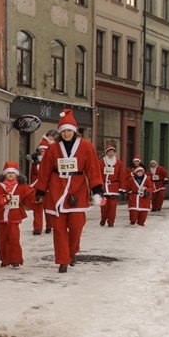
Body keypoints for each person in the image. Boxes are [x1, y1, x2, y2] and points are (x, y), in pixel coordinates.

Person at [34, 109, 104, 273]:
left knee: (76, 226)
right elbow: (44, 171)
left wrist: (97, 189)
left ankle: (72, 251)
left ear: (74, 131)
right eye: (63, 131)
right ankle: (63, 260)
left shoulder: (86, 147)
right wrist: (40, 191)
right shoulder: (53, 149)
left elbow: (93, 169)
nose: (66, 134)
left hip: (77, 189)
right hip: (57, 190)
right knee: (58, 228)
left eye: (69, 130)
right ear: (60, 132)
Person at [0, 162, 36, 268]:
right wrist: (3, 199)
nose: (10, 175)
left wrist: (38, 197)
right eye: (8, 172)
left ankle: (15, 259)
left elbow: (31, 195)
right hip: (2, 215)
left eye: (13, 173)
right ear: (4, 174)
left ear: (17, 174)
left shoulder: (22, 186)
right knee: (2, 239)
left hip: (14, 215)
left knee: (14, 238)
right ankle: (4, 259)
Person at [28, 137, 54, 235]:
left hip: (48, 188)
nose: (42, 151)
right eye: (41, 150)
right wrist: (34, 184)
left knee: (48, 209)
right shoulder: (35, 163)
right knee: (37, 208)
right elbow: (32, 175)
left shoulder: (52, 161)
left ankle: (49, 226)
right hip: (38, 188)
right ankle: (37, 228)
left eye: (44, 150)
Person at [98, 144, 124, 227]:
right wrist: (98, 186)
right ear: (106, 153)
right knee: (104, 207)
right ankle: (103, 218)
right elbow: (97, 174)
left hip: (114, 188)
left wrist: (122, 188)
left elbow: (122, 176)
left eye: (112, 152)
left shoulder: (119, 163)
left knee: (112, 207)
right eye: (109, 152)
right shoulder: (101, 162)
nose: (111, 153)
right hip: (103, 188)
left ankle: (111, 222)